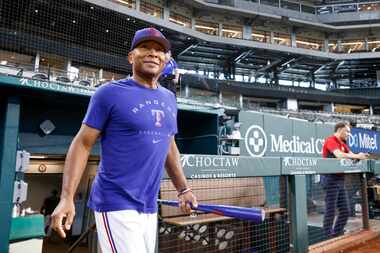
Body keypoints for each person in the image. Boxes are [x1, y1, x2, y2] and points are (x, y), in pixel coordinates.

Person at [50, 27, 198, 253]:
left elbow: (168, 145)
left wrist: (183, 189)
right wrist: (67, 197)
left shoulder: (169, 98)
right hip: (115, 201)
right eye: (145, 47)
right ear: (131, 56)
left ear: (166, 59)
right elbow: (83, 143)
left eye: (159, 50)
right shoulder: (109, 93)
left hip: (149, 205)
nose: (152, 53)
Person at [321, 122, 368, 237]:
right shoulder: (331, 140)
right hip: (330, 179)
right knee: (330, 210)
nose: (348, 134)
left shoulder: (343, 143)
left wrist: (360, 155)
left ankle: (336, 233)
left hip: (340, 180)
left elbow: (351, 154)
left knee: (346, 210)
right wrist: (357, 156)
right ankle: (328, 235)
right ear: (340, 129)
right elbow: (339, 155)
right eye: (347, 131)